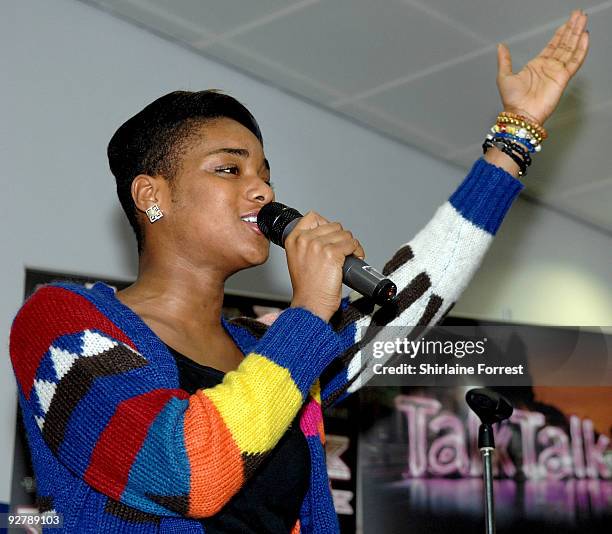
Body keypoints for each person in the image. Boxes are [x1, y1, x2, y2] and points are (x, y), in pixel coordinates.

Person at [9, 9, 589, 534]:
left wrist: (514, 137)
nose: (261, 188)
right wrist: (311, 308)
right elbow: (186, 472)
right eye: (228, 170)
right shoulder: (64, 323)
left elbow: (409, 296)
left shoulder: (270, 348)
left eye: (264, 172)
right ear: (151, 195)